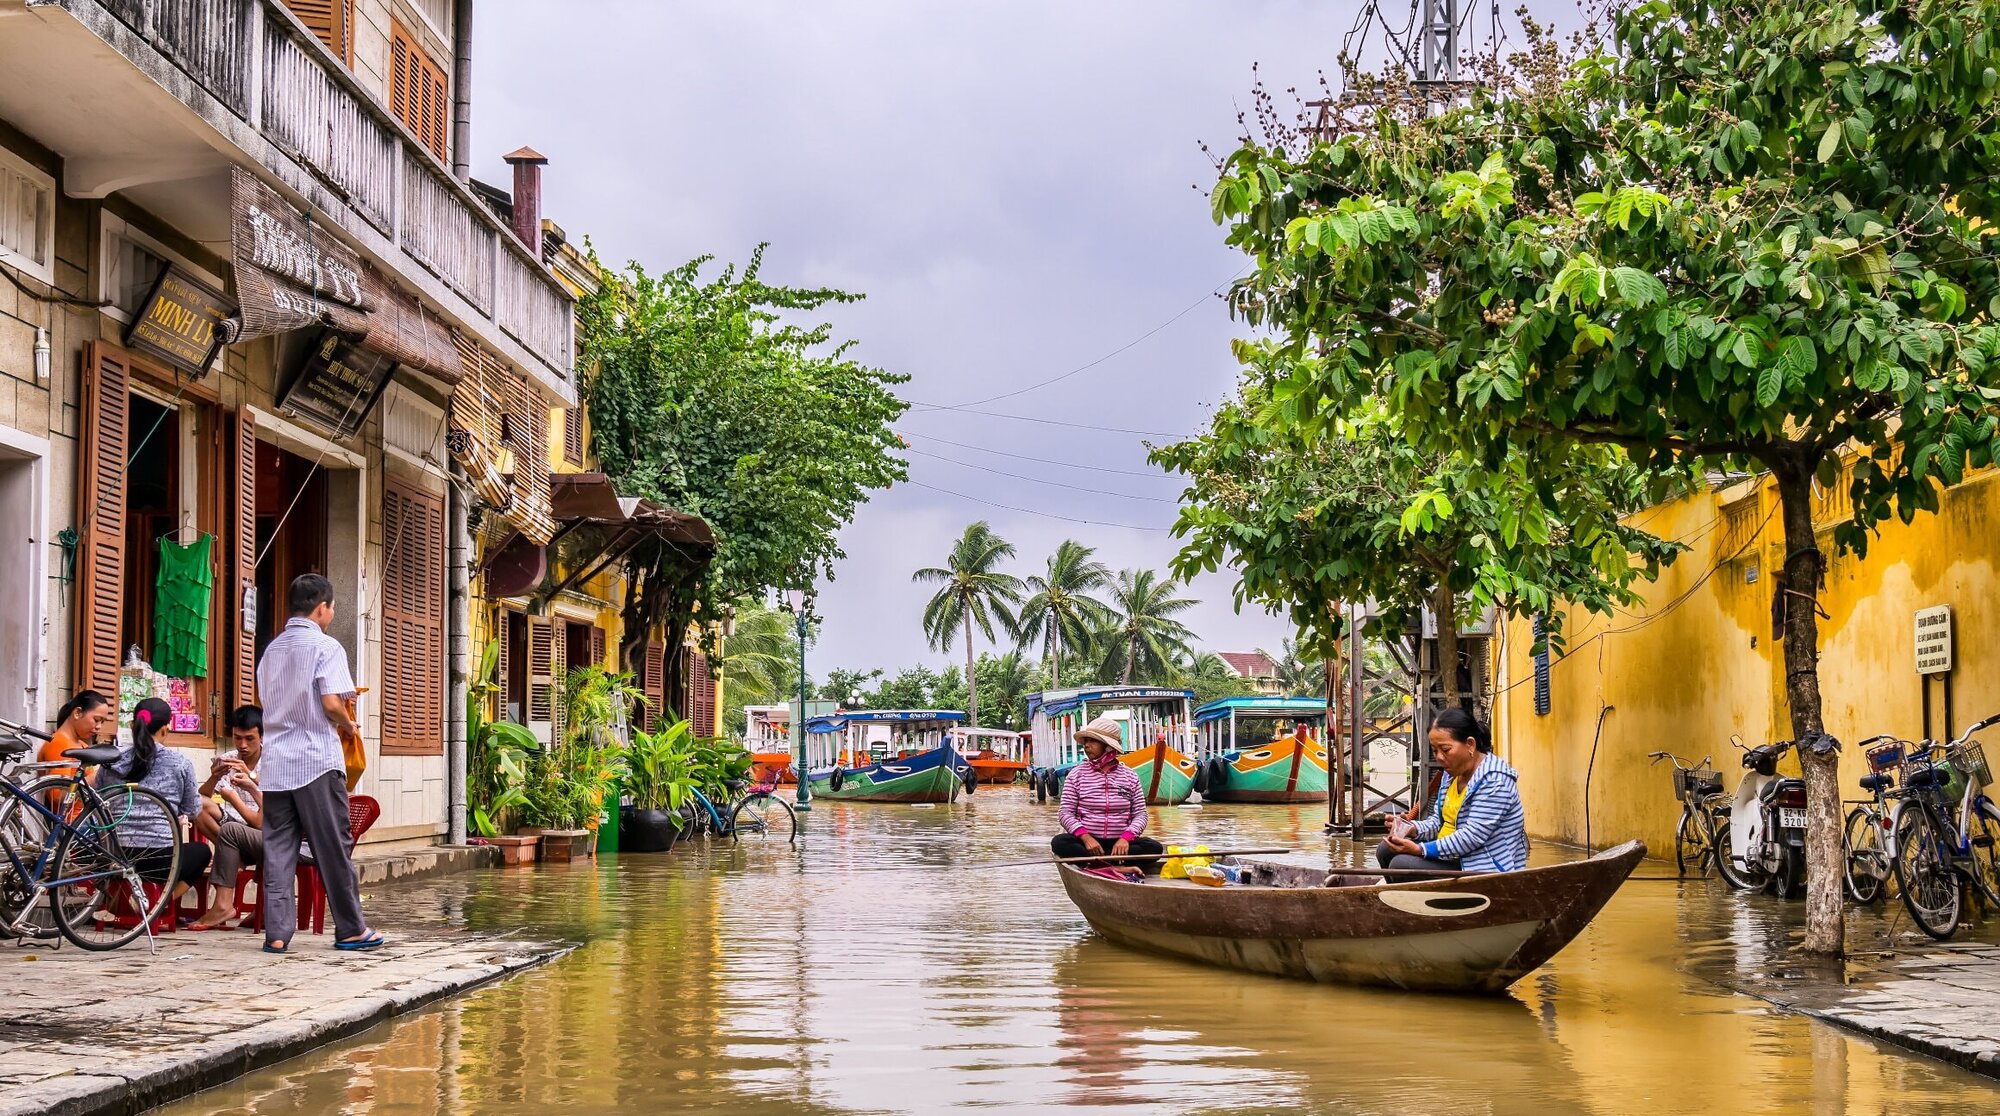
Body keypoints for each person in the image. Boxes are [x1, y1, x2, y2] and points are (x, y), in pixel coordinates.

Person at [256, 574, 381, 954]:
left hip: (276, 762)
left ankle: (277, 934)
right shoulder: (326, 647)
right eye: (332, 606)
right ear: (322, 607)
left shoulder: (271, 650)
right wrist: (349, 722)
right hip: (315, 759)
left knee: (278, 848)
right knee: (332, 845)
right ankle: (351, 929)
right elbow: (331, 703)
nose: (332, 612)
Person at [1376, 708, 1527, 874]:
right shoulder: (1451, 776)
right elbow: (1439, 823)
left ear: (1470, 744)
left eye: (1445, 749)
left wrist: (1421, 849)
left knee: (1402, 865)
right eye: (1435, 751)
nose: (1439, 757)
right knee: (1385, 849)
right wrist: (1411, 828)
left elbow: (1472, 837)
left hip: (1481, 866)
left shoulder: (1495, 781)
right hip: (1455, 858)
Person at [92, 697, 213, 900]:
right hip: (160, 860)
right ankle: (159, 905)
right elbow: (193, 810)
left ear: (132, 725)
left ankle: (125, 902)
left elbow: (102, 801)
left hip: (113, 855)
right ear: (166, 729)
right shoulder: (180, 763)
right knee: (202, 852)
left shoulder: (111, 762)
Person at [1053, 716, 1164, 874]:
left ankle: (1099, 865)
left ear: (1108, 747)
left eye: (1093, 741)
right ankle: (1115, 868)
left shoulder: (1130, 776)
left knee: (1154, 848)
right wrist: (1086, 838)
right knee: (1060, 843)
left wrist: (1126, 837)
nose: (1086, 746)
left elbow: (1140, 814)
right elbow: (1065, 813)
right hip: (1088, 845)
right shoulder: (1076, 775)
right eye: (1086, 741)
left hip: (1119, 846)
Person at [188, 705, 264, 931]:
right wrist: (214, 778)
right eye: (237, 738)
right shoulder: (229, 758)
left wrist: (250, 779)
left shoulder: (274, 760)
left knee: (232, 830)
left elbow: (263, 818)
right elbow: (200, 798)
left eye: (249, 738)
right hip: (234, 824)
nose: (242, 745)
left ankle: (230, 866)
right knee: (197, 805)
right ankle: (233, 856)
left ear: (262, 736)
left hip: (262, 828)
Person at [41, 689, 115, 781]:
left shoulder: (82, 744)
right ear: (77, 713)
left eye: (102, 722)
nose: (99, 726)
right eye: (96, 720)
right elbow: (58, 794)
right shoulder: (58, 743)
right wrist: (99, 776)